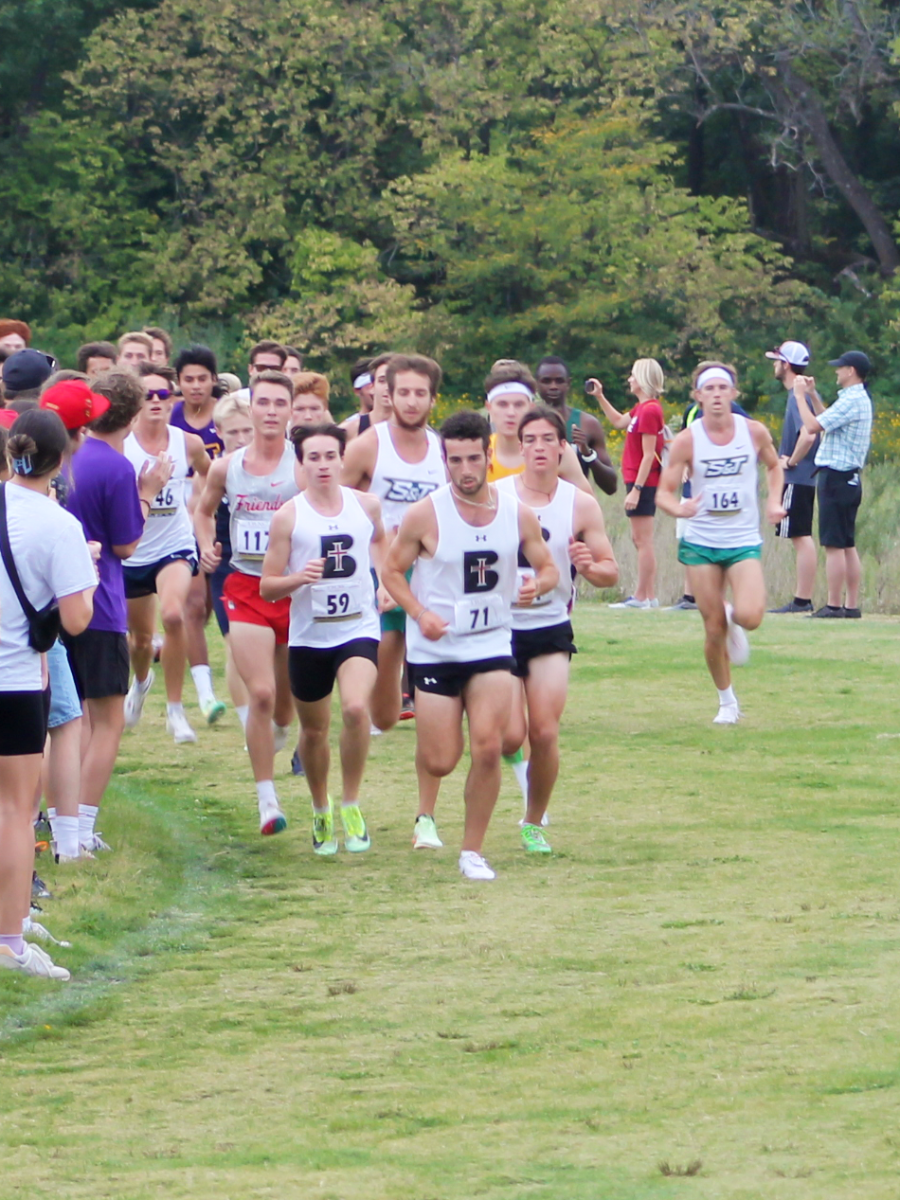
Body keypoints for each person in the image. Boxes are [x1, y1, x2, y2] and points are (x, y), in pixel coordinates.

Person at [382, 410, 558, 880]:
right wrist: (420, 615)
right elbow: (391, 571)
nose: (464, 470)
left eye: (472, 459)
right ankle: (428, 809)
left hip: (493, 644)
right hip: (436, 649)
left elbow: (549, 568)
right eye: (454, 459)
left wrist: (536, 587)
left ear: (489, 457)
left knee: (488, 745)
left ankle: (472, 851)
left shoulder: (516, 513)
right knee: (442, 758)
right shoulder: (425, 514)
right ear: (444, 460)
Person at [0, 410, 97, 980]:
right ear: (61, 461)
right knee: (14, 812)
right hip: (14, 677)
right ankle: (10, 939)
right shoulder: (57, 523)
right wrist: (79, 569)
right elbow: (78, 620)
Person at [497, 406, 618, 850]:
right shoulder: (497, 497)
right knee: (511, 734)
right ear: (520, 447)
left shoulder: (579, 504)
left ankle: (533, 821)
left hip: (550, 625)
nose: (540, 448)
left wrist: (589, 565)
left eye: (549, 439)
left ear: (563, 446)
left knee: (544, 731)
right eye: (531, 440)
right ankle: (517, 764)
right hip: (499, 628)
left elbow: (609, 572)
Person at [261, 424, 386, 853]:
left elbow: (381, 544)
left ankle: (351, 802)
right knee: (314, 732)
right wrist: (299, 577)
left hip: (358, 628)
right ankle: (320, 807)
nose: (322, 465)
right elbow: (267, 586)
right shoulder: (289, 517)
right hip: (310, 638)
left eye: (330, 456)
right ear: (301, 462)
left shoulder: (366, 506)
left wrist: (385, 582)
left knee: (354, 708)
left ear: (342, 459)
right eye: (313, 457)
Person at [64, 369, 173, 848]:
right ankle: (82, 827)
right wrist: (148, 492)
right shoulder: (115, 466)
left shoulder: (70, 459)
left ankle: (60, 821)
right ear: (130, 417)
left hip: (57, 602)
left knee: (71, 720)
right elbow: (127, 545)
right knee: (107, 720)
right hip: (102, 604)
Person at [195, 370, 298, 836]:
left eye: (280, 403)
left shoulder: (303, 465)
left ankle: (276, 734)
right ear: (251, 409)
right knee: (260, 693)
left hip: (297, 592)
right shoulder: (227, 467)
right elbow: (203, 509)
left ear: (291, 411)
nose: (271, 412)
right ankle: (267, 800)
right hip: (246, 588)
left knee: (284, 706)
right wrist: (205, 544)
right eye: (264, 403)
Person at [656, 363, 785, 724]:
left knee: (750, 616)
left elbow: (775, 467)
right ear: (697, 396)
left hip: (742, 539)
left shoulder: (754, 432)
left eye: (721, 388)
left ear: (733, 394)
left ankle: (734, 616)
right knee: (713, 627)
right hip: (701, 541)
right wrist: (679, 508)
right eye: (707, 389)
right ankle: (727, 702)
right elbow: (664, 493)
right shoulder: (687, 440)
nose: (715, 394)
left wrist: (774, 502)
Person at [341, 354, 447, 731]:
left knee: (434, 645)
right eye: (404, 392)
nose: (412, 401)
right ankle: (377, 709)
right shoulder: (369, 445)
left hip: (429, 566)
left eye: (421, 393)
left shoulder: (441, 448)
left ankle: (437, 709)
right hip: (377, 563)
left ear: (433, 399)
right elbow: (335, 502)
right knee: (388, 646)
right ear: (388, 393)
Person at [122, 364, 213, 742]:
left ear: (173, 400)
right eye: (148, 395)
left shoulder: (186, 442)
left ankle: (176, 712)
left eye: (163, 395)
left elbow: (210, 473)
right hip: (132, 548)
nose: (156, 402)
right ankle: (141, 682)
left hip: (174, 543)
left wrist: (197, 508)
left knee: (174, 614)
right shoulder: (121, 443)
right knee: (140, 641)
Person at [38, 378, 109, 863]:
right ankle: (64, 838)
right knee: (65, 719)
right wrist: (83, 563)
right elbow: (76, 614)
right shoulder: (52, 492)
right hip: (38, 633)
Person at [169, 344, 228, 718]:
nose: (195, 386)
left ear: (213, 381)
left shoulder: (226, 417)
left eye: (201, 379)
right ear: (178, 382)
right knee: (191, 606)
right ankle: (206, 696)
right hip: (183, 522)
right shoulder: (170, 418)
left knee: (212, 607)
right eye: (188, 379)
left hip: (226, 519)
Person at [791, 351, 873, 618]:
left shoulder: (852, 399)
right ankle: (850, 605)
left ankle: (834, 604)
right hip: (849, 478)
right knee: (847, 543)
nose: (836, 372)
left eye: (840, 368)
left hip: (836, 477)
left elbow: (814, 426)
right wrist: (814, 395)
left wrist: (799, 396)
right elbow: (829, 422)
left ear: (851, 371)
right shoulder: (857, 399)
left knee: (834, 544)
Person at [591, 359, 666, 608]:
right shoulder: (640, 409)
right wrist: (600, 397)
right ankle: (647, 595)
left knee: (643, 539)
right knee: (639, 539)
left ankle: (644, 596)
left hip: (643, 482)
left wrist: (637, 489)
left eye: (633, 375)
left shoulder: (650, 410)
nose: (629, 380)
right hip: (635, 479)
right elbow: (618, 422)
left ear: (643, 379)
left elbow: (648, 455)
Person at [207, 393, 253, 728]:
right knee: (235, 643)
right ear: (218, 431)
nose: (240, 439)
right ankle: (248, 721)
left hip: (271, 567)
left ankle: (277, 715)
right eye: (233, 432)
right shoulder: (216, 470)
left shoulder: (274, 468)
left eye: (247, 431)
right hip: (227, 565)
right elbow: (200, 510)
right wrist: (204, 545)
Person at [764, 341, 819, 614]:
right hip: (805, 477)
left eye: (777, 360)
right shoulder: (800, 394)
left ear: (786, 364)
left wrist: (791, 461)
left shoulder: (798, 396)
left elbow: (809, 434)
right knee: (800, 535)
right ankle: (802, 599)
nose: (774, 365)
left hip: (800, 476)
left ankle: (802, 600)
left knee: (800, 537)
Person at [484, 362, 595, 493]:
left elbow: (588, 504)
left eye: (519, 404)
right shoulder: (479, 452)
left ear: (530, 407)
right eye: (502, 404)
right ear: (489, 407)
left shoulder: (558, 451)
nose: (511, 413)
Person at [534, 356, 617, 493]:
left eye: (559, 381)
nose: (553, 386)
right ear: (537, 384)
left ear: (568, 383)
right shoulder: (526, 422)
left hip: (575, 508)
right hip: (534, 506)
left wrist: (588, 454)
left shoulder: (587, 424)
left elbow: (611, 487)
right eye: (546, 381)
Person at [341, 353, 393, 440]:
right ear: (372, 386)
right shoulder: (349, 431)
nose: (388, 387)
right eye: (382, 380)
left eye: (393, 380)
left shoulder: (419, 432)